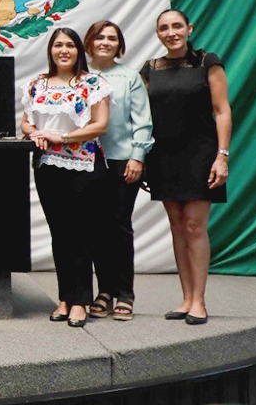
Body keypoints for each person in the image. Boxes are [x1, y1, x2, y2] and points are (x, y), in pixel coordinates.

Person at [140, 9, 231, 326]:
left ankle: (200, 301)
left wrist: (222, 155)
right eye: (164, 28)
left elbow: (222, 110)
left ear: (189, 28)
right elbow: (138, 111)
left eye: (177, 26)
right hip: (163, 155)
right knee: (177, 226)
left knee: (194, 226)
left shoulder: (208, 62)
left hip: (201, 154)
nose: (171, 32)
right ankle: (186, 298)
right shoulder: (150, 69)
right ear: (158, 33)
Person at [22, 27, 111, 328]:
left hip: (84, 164)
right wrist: (35, 133)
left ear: (78, 50)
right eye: (58, 45)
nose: (64, 50)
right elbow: (26, 122)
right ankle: (64, 297)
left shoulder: (93, 83)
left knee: (81, 233)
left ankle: (81, 301)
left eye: (70, 45)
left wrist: (61, 136)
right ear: (50, 50)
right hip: (47, 165)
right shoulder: (37, 84)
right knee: (60, 234)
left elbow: (100, 125)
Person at [84, 21, 153, 322]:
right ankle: (105, 291)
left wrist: (137, 157)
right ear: (89, 42)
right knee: (95, 228)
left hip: (122, 160)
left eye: (112, 38)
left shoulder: (129, 77)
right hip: (86, 161)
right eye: (100, 37)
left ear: (119, 45)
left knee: (119, 227)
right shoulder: (79, 75)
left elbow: (142, 121)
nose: (105, 42)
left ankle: (125, 293)